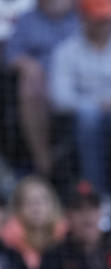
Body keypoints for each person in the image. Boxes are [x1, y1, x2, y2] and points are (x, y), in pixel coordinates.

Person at [48, 0, 111, 192]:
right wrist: (96, 104)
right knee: (89, 115)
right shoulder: (66, 51)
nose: (105, 24)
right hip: (84, 119)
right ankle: (96, 191)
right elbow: (59, 99)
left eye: (109, 19)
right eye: (99, 19)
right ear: (84, 19)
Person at [4, 0, 80, 175]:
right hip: (43, 82)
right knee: (30, 84)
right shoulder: (27, 20)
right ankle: (42, 160)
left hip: (78, 80)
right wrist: (28, 66)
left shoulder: (80, 17)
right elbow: (11, 56)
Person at [31, 181, 108, 269]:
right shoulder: (53, 258)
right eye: (79, 209)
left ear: (101, 212)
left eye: (93, 208)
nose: (87, 217)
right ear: (67, 215)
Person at [0, 175, 67, 269]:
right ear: (18, 208)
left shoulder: (67, 238)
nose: (37, 207)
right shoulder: (6, 246)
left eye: (43, 200)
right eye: (29, 202)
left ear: (53, 204)